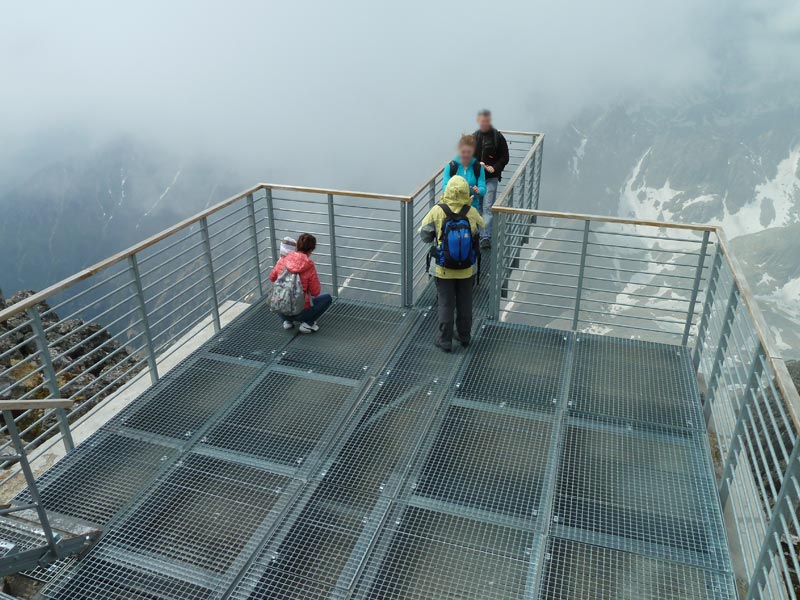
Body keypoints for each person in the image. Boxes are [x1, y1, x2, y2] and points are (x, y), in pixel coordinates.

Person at [420, 176, 484, 352]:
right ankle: (464, 336)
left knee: (446, 304)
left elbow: (424, 234)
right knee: (465, 302)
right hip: (466, 269)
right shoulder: (470, 211)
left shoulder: (438, 210)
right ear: (466, 191)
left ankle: (444, 340)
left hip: (443, 269)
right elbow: (481, 228)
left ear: (447, 190)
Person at [269, 233, 332, 333]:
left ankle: (287, 321)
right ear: (311, 250)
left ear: (297, 246)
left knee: (281, 294)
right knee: (327, 298)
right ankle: (307, 324)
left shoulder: (283, 260)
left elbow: (272, 278)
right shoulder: (309, 266)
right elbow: (316, 292)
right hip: (300, 313)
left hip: (280, 308)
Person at [473, 109, 510, 249]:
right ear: (479, 121)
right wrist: (479, 164)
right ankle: (480, 233)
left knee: (487, 207)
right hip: (477, 178)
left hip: (491, 178)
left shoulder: (497, 137)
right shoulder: (474, 137)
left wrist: (495, 168)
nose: (484, 123)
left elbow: (505, 157)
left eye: (486, 121)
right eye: (482, 121)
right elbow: (467, 157)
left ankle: (485, 237)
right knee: (479, 206)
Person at [442, 134, 486, 210]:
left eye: (469, 152)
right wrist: (455, 191)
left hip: (471, 209)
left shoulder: (478, 167)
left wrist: (478, 190)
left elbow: (483, 187)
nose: (466, 155)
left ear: (473, 151)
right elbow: (444, 186)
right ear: (459, 150)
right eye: (463, 152)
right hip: (453, 208)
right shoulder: (451, 167)